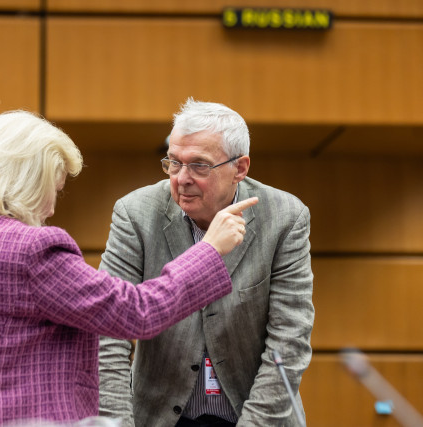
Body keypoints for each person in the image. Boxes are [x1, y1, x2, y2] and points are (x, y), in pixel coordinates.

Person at [0, 110, 258, 427]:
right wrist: (209, 250)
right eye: (51, 189)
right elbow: (138, 311)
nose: (52, 208)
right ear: (24, 181)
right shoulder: (31, 248)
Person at [98, 98, 315, 426]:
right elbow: (108, 332)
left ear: (239, 168)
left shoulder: (285, 217)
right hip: (160, 417)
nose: (182, 178)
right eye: (173, 162)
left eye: (199, 165)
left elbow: (289, 339)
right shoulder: (135, 214)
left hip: (254, 414)